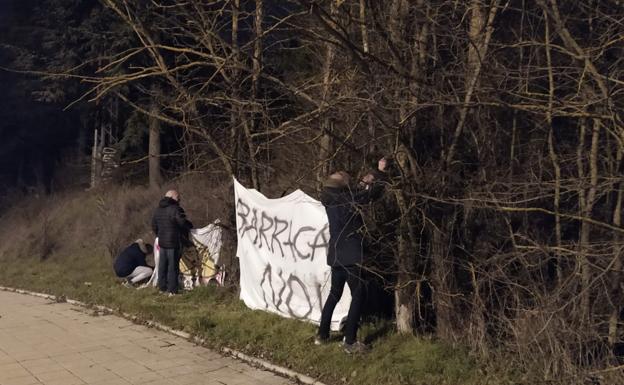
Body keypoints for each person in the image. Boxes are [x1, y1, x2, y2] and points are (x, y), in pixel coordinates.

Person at [315, 157, 388, 354]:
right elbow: (372, 194)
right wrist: (380, 172)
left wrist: (368, 178)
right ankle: (350, 341)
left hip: (336, 254)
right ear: (342, 185)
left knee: (334, 293)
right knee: (359, 293)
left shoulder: (330, 199)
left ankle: (322, 335)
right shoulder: (348, 199)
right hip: (351, 255)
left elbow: (357, 191)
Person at [151, 190, 193, 296]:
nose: (179, 200)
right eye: (178, 198)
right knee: (173, 267)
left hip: (162, 242)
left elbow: (154, 225)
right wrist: (190, 226)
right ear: (173, 198)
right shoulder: (175, 209)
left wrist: (159, 235)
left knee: (162, 265)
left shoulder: (158, 209)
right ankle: (172, 290)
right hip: (174, 242)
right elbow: (182, 222)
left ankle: (162, 287)